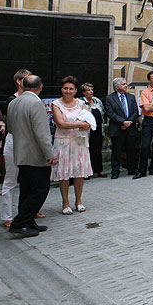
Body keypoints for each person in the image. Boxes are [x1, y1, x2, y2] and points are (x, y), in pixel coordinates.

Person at [6, 74, 58, 238]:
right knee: (40, 189)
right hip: (35, 155)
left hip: (21, 152)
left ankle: (28, 221)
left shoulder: (14, 102)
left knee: (27, 190)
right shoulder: (35, 103)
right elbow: (41, 133)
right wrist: (49, 153)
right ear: (40, 87)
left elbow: (11, 127)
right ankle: (20, 222)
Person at [50, 76, 93, 215]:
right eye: (65, 88)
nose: (68, 91)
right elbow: (60, 123)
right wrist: (80, 124)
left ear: (75, 91)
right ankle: (65, 202)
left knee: (79, 172)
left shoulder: (81, 103)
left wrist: (85, 126)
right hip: (62, 141)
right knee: (64, 173)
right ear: (61, 89)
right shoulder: (56, 104)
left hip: (78, 141)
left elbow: (88, 122)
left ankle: (78, 201)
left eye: (71, 89)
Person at [0, 68, 33, 227]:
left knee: (29, 179)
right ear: (19, 81)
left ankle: (28, 211)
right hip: (15, 140)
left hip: (29, 142)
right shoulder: (11, 100)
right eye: (27, 79)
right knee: (11, 179)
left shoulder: (33, 99)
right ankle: (7, 215)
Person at [104, 77, 139, 179]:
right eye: (123, 84)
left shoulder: (131, 97)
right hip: (117, 128)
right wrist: (122, 122)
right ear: (117, 86)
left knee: (131, 149)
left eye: (126, 84)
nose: (126, 86)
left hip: (130, 127)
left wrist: (129, 122)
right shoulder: (110, 98)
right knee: (116, 151)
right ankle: (115, 171)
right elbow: (110, 113)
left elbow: (135, 111)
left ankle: (131, 169)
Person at [79, 82, 107, 178]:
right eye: (88, 90)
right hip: (87, 131)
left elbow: (102, 114)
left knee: (97, 150)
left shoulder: (97, 101)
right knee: (87, 150)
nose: (91, 92)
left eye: (92, 90)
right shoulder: (80, 102)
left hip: (98, 129)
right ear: (83, 92)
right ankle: (87, 171)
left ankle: (99, 170)